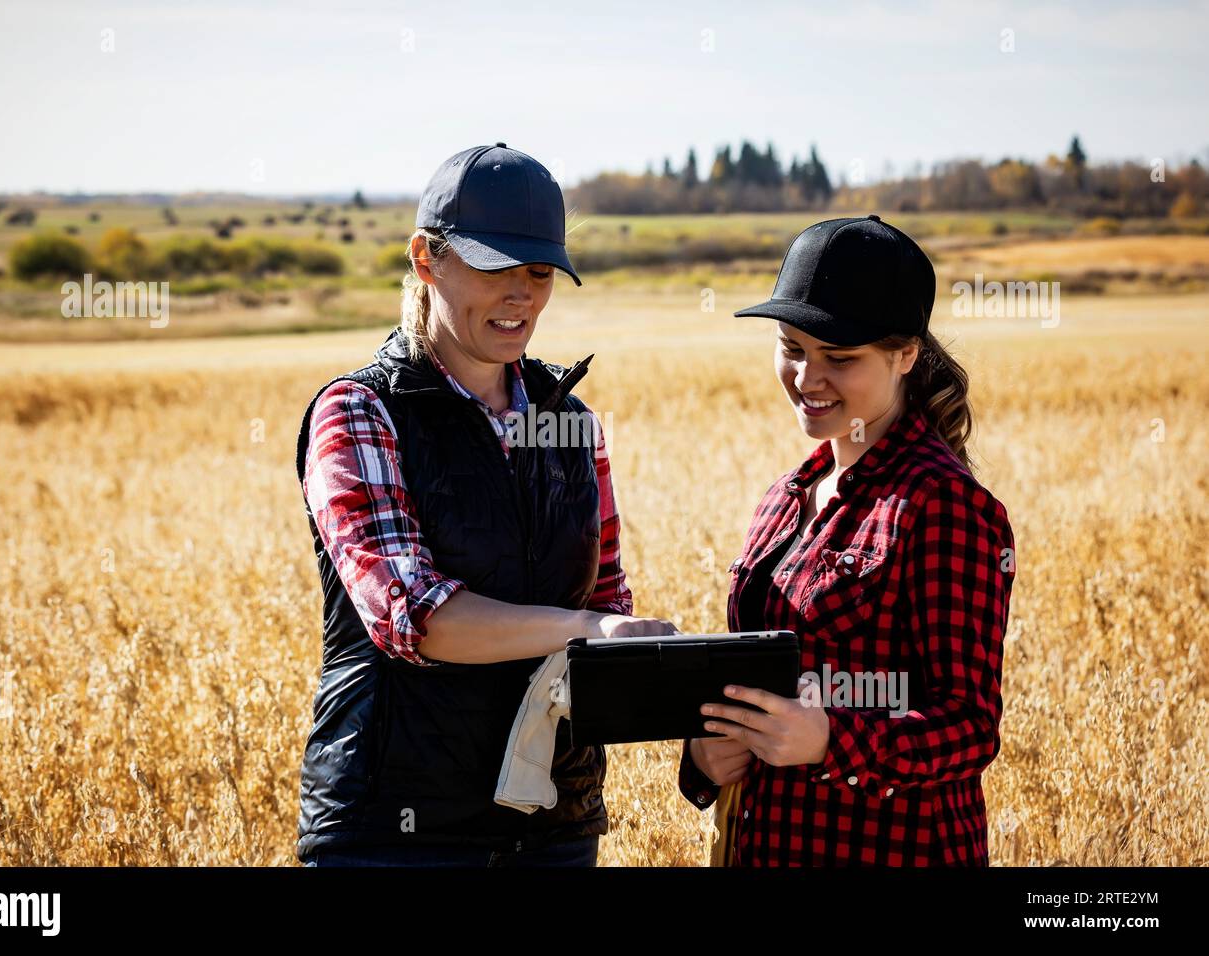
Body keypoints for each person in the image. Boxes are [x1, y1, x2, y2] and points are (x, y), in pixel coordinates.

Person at [295, 143, 676, 867]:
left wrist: (685, 684)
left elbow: (606, 598)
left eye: (539, 273)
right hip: (395, 835)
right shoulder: (361, 412)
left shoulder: (572, 422)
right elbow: (416, 620)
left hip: (553, 826)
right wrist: (593, 628)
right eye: (493, 266)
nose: (521, 296)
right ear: (425, 258)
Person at [679, 215, 1016, 866]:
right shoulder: (786, 498)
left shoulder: (943, 506)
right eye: (792, 347)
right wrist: (704, 757)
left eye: (840, 357)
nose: (807, 379)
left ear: (907, 354)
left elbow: (970, 727)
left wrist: (831, 738)